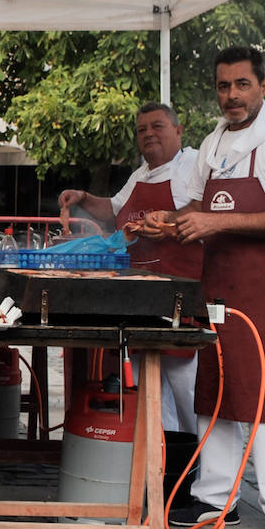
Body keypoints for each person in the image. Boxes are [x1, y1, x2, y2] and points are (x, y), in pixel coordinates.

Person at [145, 47, 265, 529]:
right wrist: (167, 223)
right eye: (223, 86)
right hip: (217, 284)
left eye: (241, 84)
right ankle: (217, 498)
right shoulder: (213, 141)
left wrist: (215, 222)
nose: (231, 95)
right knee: (215, 388)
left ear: (264, 86)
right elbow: (196, 204)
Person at [58, 103, 204, 435]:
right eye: (142, 130)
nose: (148, 134)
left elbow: (204, 218)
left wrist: (167, 225)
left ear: (179, 131)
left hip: (177, 294)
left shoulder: (193, 167)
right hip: (138, 298)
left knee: (188, 391)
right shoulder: (140, 174)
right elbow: (112, 208)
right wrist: (82, 196)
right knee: (148, 395)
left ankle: (205, 468)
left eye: (158, 126)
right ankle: (161, 468)